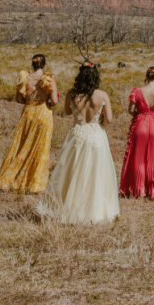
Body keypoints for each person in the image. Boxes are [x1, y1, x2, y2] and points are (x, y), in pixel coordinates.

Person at [38, 63, 119, 224]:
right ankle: (93, 212)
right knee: (96, 174)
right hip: (96, 136)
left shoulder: (72, 94)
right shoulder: (102, 95)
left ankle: (71, 209)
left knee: (73, 172)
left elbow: (68, 112)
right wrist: (99, 120)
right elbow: (109, 119)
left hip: (78, 134)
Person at [0, 54, 59, 194]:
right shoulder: (48, 78)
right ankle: (33, 183)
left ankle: (12, 178)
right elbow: (54, 101)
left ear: (33, 64)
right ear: (44, 65)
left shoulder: (25, 77)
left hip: (28, 113)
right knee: (40, 148)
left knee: (21, 146)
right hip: (43, 114)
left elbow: (19, 99)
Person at [118, 66, 154, 198]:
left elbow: (131, 110)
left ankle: (139, 189)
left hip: (140, 124)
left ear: (146, 77)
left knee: (138, 159)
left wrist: (140, 113)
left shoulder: (136, 92)